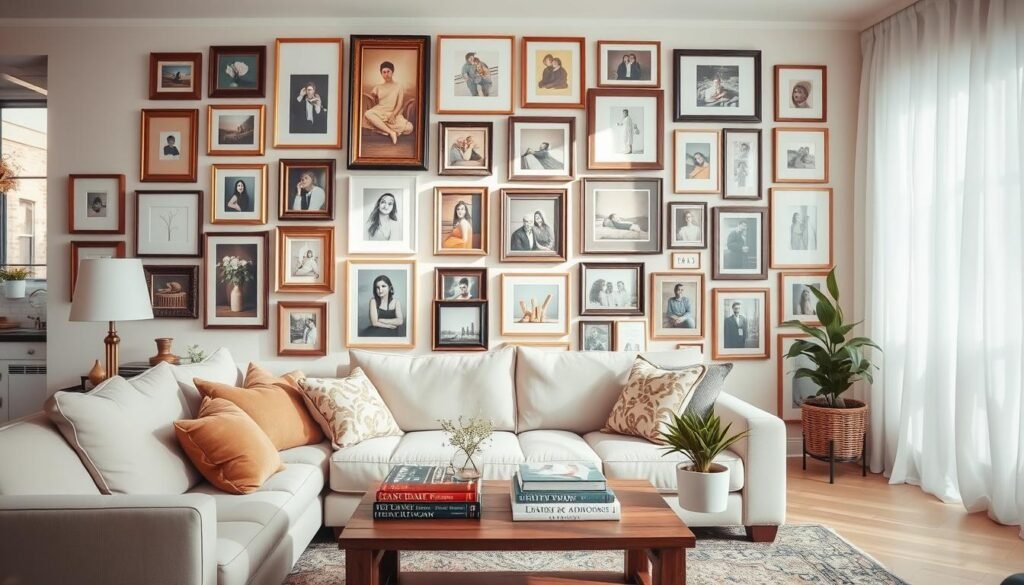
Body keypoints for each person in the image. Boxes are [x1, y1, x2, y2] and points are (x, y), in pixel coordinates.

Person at [364, 61, 414, 145]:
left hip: (393, 113)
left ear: (392, 72)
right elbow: (374, 103)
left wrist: (393, 115)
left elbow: (399, 103)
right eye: (384, 72)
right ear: (381, 74)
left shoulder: (399, 86)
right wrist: (373, 97)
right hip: (380, 112)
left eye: (388, 72)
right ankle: (391, 132)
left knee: (410, 128)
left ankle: (381, 129)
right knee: (368, 114)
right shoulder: (378, 87)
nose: (386, 74)